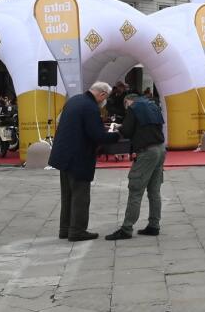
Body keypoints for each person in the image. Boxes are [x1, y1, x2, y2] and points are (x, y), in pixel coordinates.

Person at [49, 82, 120, 241]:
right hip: (78, 157)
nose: (104, 101)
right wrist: (116, 135)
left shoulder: (74, 100)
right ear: (102, 94)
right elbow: (97, 135)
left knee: (67, 195)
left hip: (63, 155)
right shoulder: (90, 107)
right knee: (80, 196)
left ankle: (65, 229)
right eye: (105, 97)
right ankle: (77, 231)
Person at [106, 92, 167, 241]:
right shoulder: (153, 106)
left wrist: (118, 127)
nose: (126, 108)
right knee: (154, 190)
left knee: (135, 189)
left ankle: (126, 228)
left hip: (146, 152)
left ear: (128, 101)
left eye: (125, 105)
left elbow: (127, 131)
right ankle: (154, 225)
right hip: (160, 149)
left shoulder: (134, 108)